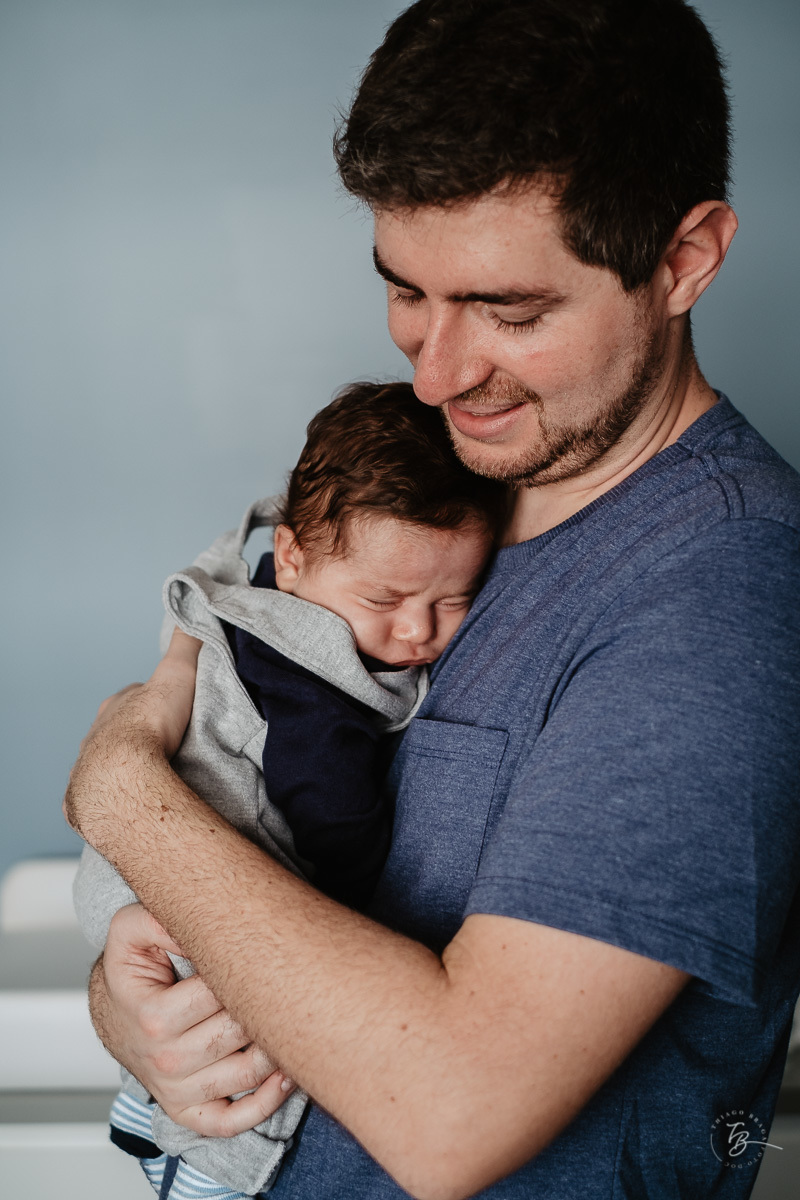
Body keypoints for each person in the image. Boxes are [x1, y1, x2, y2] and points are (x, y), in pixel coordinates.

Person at [64, 1, 800, 1197]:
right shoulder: (443, 502)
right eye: (407, 291)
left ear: (683, 259)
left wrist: (118, 790)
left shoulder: (716, 601)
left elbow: (451, 1112)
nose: (435, 372)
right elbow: (251, 847)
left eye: (509, 312)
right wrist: (131, 1004)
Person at [72, 380, 503, 1200]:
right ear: (297, 559)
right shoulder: (315, 682)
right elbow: (336, 823)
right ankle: (200, 1169)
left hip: (132, 886)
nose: (416, 631)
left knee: (171, 1017)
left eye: (454, 601)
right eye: (385, 600)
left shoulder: (260, 580)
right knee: (232, 1044)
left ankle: (138, 1110)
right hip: (185, 883)